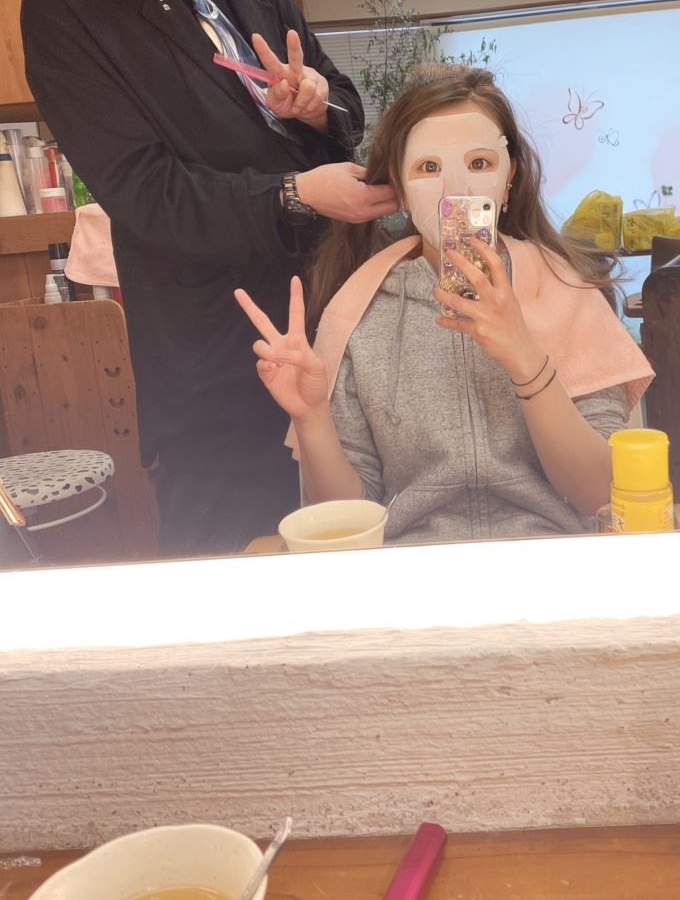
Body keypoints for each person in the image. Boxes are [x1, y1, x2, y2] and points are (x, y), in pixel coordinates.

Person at [20, 0, 396, 557]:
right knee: (233, 579)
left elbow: (347, 103)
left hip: (330, 339)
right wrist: (295, 194)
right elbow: (146, 193)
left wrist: (315, 103)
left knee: (349, 563)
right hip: (218, 370)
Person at [236, 69, 654, 545]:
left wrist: (525, 358)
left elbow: (601, 494)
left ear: (510, 176)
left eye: (479, 163)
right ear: (398, 185)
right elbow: (349, 514)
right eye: (429, 167)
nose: (456, 188)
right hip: (411, 563)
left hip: (548, 555)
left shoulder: (567, 292)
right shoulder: (357, 311)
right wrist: (311, 418)